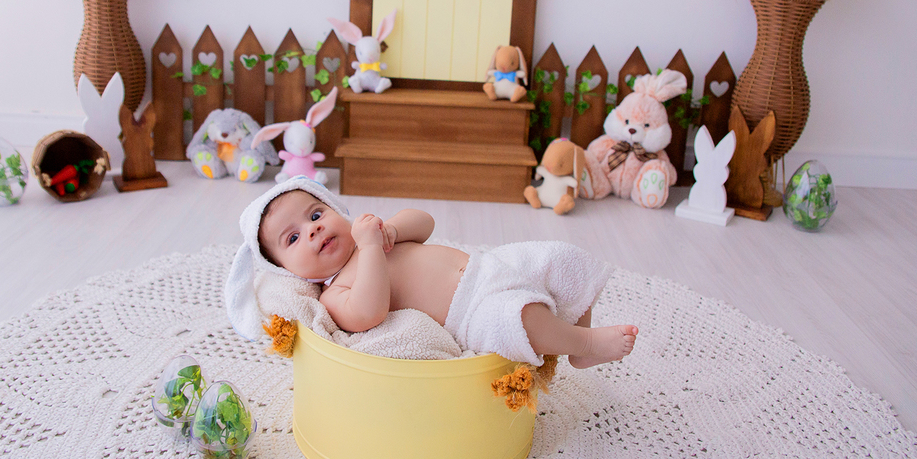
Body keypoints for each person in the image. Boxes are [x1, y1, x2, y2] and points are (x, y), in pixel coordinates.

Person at [225, 177, 637, 367]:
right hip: (469, 312)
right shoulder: (337, 292)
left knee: (560, 259)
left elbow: (424, 223)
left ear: (336, 210)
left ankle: (579, 331)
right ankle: (582, 343)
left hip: (487, 267)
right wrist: (369, 248)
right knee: (522, 319)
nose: (312, 229)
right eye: (292, 239)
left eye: (316, 214)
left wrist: (392, 230)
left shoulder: (378, 234)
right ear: (286, 270)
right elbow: (370, 312)